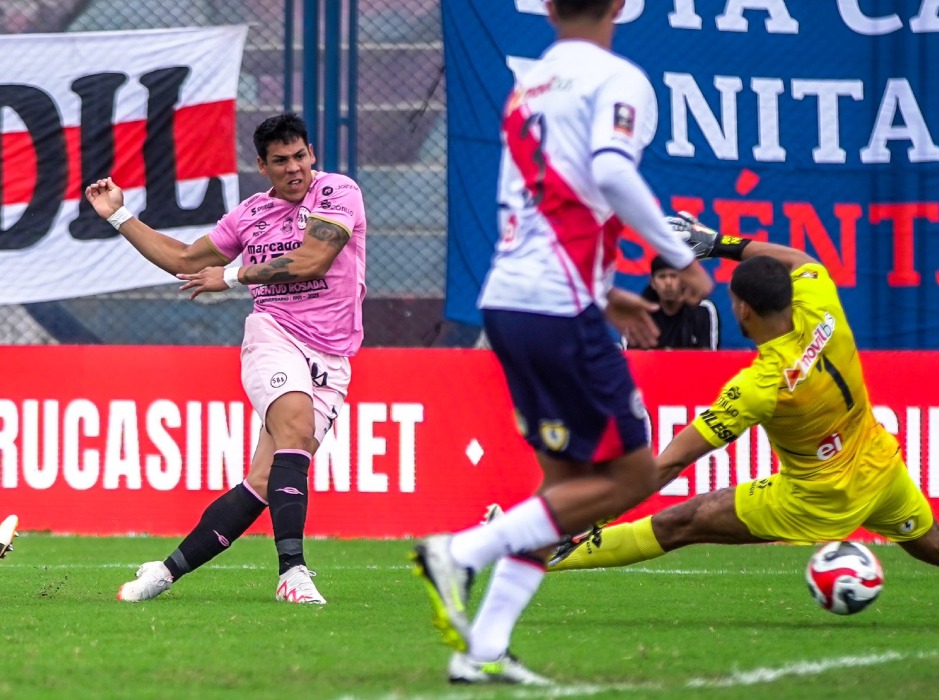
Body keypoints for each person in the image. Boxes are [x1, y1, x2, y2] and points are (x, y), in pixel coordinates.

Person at [547, 214, 939, 631]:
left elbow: (670, 462)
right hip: (876, 464)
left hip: (815, 499)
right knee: (931, 540)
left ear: (743, 310)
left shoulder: (758, 384)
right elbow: (798, 260)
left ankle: (553, 550)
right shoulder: (819, 300)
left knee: (681, 523)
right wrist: (716, 242)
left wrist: (590, 510)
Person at [410, 0, 715, 685]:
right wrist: (681, 258)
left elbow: (542, 204)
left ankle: (483, 648)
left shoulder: (530, 85)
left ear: (548, 7)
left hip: (515, 299)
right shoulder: (617, 79)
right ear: (620, 7)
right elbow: (609, 172)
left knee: (564, 485)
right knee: (633, 476)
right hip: (558, 304)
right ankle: (459, 553)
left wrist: (610, 295)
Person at [84, 113, 368, 605]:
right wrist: (118, 216)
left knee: (263, 481)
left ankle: (164, 572)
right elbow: (183, 261)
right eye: (280, 161)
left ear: (312, 154)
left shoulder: (337, 193)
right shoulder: (250, 215)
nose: (294, 168)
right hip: (274, 334)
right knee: (295, 429)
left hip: (333, 355)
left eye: (300, 156)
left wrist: (233, 277)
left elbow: (312, 260)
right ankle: (292, 573)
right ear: (263, 165)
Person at [624, 255, 720, 350]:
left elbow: (709, 358)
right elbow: (630, 358)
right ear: (653, 283)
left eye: (673, 276)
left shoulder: (703, 309)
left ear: (683, 281)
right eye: (662, 277)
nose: (668, 283)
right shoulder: (638, 313)